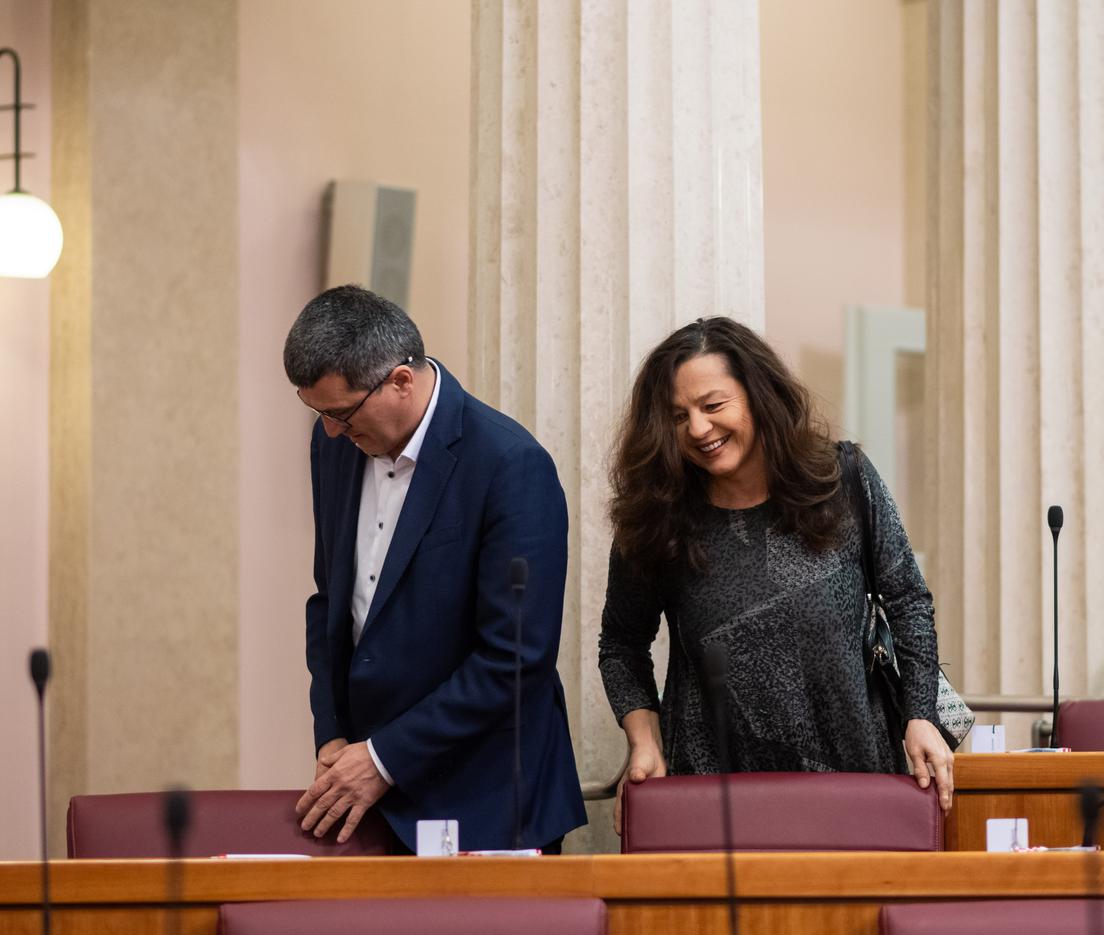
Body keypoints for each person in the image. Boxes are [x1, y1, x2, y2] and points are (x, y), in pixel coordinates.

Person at [598, 316, 954, 829]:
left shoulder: (841, 479)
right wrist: (644, 740)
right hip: (712, 799)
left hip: (853, 783)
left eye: (713, 406)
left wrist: (921, 715)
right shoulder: (659, 513)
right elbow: (621, 644)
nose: (698, 429)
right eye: (679, 417)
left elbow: (907, 601)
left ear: (758, 394)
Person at [286, 285, 587, 852]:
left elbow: (515, 658)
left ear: (401, 380)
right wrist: (333, 733)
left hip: (488, 797)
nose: (329, 430)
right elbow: (331, 602)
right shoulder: (334, 445)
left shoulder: (510, 465)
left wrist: (383, 758)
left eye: (340, 413)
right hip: (369, 796)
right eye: (317, 413)